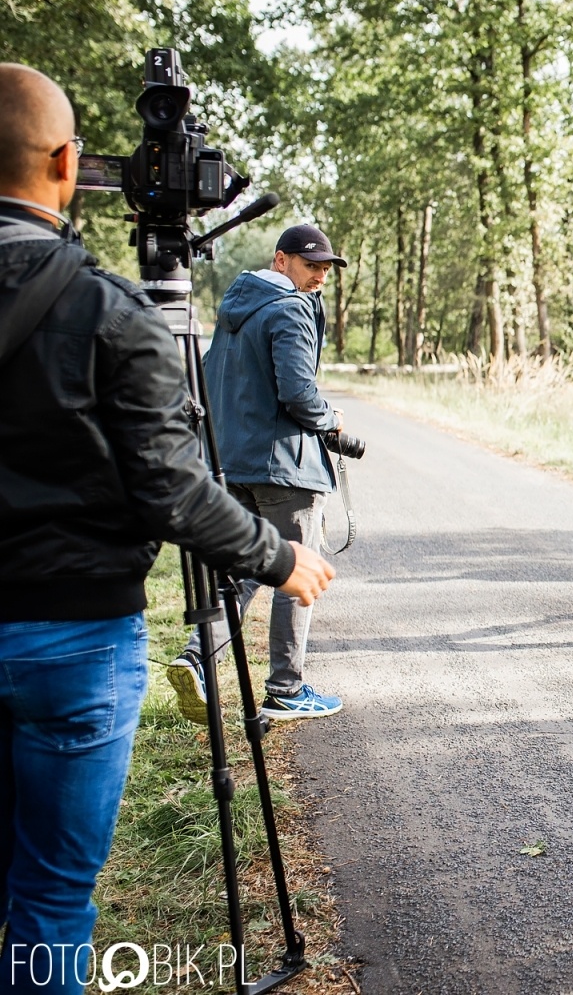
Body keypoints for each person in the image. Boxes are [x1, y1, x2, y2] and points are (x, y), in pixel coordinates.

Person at [0, 63, 335, 994]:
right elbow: (170, 489)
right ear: (67, 163)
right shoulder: (107, 309)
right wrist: (279, 558)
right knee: (53, 896)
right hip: (73, 638)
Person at [166, 224, 349, 721]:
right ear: (281, 260)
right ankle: (286, 688)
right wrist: (330, 421)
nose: (319, 279)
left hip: (233, 463)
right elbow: (297, 391)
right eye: (312, 266)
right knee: (297, 572)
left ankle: (196, 657)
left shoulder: (233, 310)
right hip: (285, 467)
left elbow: (205, 379)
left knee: (243, 568)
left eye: (326, 270)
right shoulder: (288, 308)